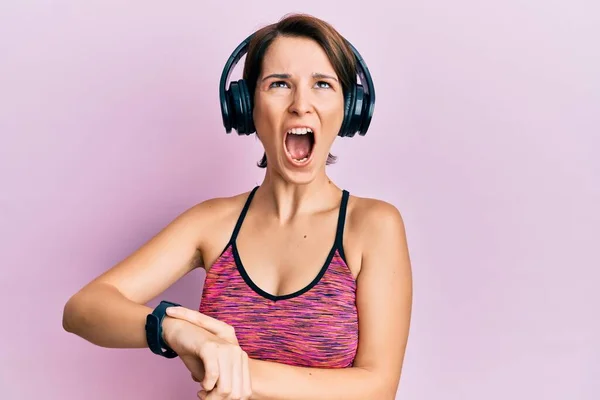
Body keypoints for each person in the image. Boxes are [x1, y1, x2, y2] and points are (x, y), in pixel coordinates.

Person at [62, 13, 413, 400]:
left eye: (323, 85)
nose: (301, 105)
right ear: (246, 106)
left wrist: (232, 368)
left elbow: (377, 387)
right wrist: (174, 329)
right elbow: (83, 309)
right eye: (279, 84)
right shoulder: (212, 223)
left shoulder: (372, 225)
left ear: (349, 109)